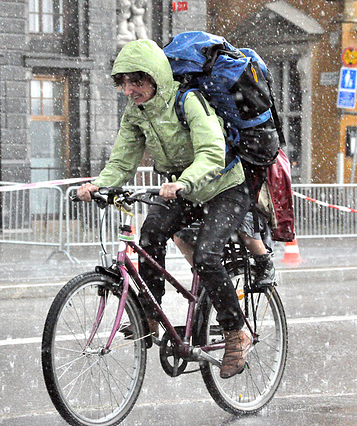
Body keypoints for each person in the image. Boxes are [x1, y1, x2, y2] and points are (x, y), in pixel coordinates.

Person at [76, 39, 251, 379]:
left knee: (206, 255)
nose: (129, 90)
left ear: (156, 77)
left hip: (225, 187)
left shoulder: (189, 101)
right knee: (151, 232)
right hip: (184, 189)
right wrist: (100, 184)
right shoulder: (136, 114)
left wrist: (184, 182)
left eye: (137, 81)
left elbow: (213, 152)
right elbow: (122, 162)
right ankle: (151, 313)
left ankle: (236, 331)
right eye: (123, 83)